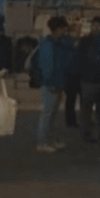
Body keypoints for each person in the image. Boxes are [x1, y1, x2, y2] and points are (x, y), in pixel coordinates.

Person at [35, 16, 75, 153]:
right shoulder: (49, 44)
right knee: (47, 113)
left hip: (57, 82)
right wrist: (51, 82)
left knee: (51, 113)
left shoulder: (56, 42)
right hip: (51, 83)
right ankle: (42, 142)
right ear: (58, 29)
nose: (66, 31)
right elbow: (47, 66)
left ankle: (48, 139)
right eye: (64, 28)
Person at [74, 16, 100, 143]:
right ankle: (87, 134)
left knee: (98, 110)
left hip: (96, 79)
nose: (96, 28)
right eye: (94, 26)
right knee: (87, 110)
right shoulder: (86, 41)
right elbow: (79, 59)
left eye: (98, 26)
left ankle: (98, 133)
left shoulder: (89, 41)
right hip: (89, 80)